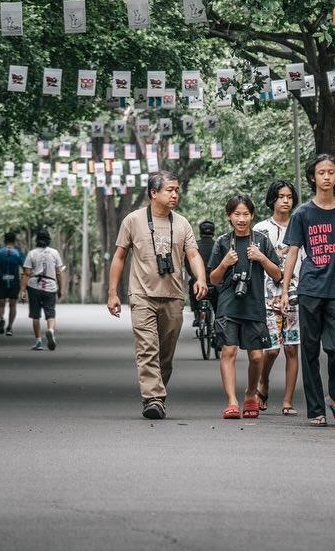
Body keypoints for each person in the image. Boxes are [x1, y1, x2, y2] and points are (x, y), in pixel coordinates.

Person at [107, 170, 209, 420]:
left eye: (177, 190)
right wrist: (113, 293)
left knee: (165, 353)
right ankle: (153, 398)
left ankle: (156, 395)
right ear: (153, 193)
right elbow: (120, 256)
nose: (175, 194)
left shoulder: (182, 223)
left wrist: (201, 278)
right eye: (169, 190)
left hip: (173, 295)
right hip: (142, 295)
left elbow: (193, 254)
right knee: (147, 348)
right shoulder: (133, 220)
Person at [281, 154, 335, 427]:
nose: (326, 177)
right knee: (310, 351)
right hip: (310, 289)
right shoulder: (302, 214)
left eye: (331, 172)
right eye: (321, 173)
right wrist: (284, 290)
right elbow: (293, 252)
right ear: (312, 178)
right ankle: (316, 409)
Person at [209, 195, 282, 420]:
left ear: (252, 215)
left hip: (254, 306)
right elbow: (213, 279)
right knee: (228, 351)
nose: (241, 219)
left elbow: (278, 274)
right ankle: (232, 401)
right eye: (237, 214)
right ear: (229, 216)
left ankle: (250, 394)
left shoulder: (260, 240)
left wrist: (261, 258)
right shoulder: (222, 242)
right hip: (229, 305)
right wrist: (224, 263)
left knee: (257, 357)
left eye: (246, 214)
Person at [254, 180, 302, 416]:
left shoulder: (300, 225)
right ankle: (263, 382)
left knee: (292, 349)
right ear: (272, 199)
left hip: (296, 294)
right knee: (272, 349)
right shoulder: (261, 229)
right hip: (267, 295)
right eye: (281, 196)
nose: (286, 200)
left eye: (290, 197)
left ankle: (287, 401)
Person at [19, 230, 64, 351]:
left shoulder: (32, 254)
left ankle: (38, 342)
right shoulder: (54, 253)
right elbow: (59, 272)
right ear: (49, 240)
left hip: (34, 287)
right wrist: (60, 289)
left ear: (37, 240)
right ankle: (50, 330)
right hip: (50, 286)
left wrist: (22, 291)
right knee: (50, 314)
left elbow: (27, 273)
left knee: (35, 315)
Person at [0, 232, 25, 336]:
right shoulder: (18, 253)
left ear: (5, 240)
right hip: (14, 282)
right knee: (13, 305)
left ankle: (1, 318)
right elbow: (25, 267)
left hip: (1, 281)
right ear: (14, 241)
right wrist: (24, 280)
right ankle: (9, 327)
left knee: (1, 303)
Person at [189, 220, 218, 327]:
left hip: (198, 282)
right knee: (217, 306)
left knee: (191, 285)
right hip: (215, 284)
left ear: (200, 232)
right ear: (213, 232)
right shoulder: (217, 245)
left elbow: (189, 266)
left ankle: (197, 315)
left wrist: (194, 276)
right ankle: (217, 323)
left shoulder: (194, 247)